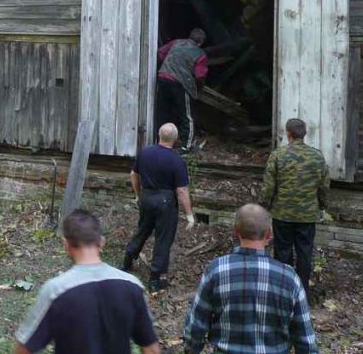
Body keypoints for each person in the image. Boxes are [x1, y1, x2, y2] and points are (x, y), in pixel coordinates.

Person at [14, 210, 160, 354]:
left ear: (65, 244)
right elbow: (151, 349)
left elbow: (24, 349)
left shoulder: (56, 290)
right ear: (101, 242)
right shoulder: (132, 286)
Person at [183, 204, 318, 354]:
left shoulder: (216, 270)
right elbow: (305, 338)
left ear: (235, 232)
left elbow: (196, 325)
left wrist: (191, 349)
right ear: (269, 234)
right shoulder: (290, 278)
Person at [260, 117, 330, 297]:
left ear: (288, 134)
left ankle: (282, 291)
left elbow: (269, 186)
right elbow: (324, 186)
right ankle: (302, 292)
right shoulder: (317, 156)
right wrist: (322, 206)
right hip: (307, 215)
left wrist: (263, 206)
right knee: (305, 253)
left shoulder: (278, 155)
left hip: (283, 214)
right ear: (304, 134)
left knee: (282, 253)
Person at [122, 123, 195, 292]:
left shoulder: (145, 152)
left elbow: (133, 174)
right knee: (163, 239)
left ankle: (127, 261)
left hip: (146, 197)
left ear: (159, 135)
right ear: (175, 139)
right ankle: (155, 279)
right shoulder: (177, 160)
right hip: (166, 203)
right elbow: (182, 190)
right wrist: (189, 214)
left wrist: (138, 194)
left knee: (143, 230)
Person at [155, 28, 208, 151]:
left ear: (189, 37)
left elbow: (160, 53)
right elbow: (200, 75)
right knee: (187, 116)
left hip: (162, 78)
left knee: (162, 112)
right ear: (201, 42)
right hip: (179, 83)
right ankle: (186, 147)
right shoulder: (200, 54)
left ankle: (160, 143)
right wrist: (199, 88)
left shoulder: (176, 43)